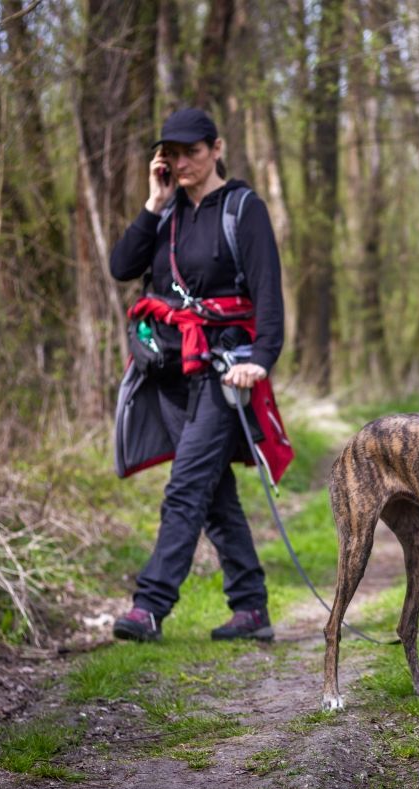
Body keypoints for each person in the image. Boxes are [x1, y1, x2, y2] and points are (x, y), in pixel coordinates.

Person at [108, 108, 284, 643]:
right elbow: (122, 266)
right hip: (167, 371)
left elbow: (269, 293)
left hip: (223, 373)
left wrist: (262, 358)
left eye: (191, 151)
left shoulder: (242, 209)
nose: (181, 162)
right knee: (211, 491)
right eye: (172, 153)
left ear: (216, 148)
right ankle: (251, 607)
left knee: (186, 486)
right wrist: (152, 203)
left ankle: (150, 605)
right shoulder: (166, 214)